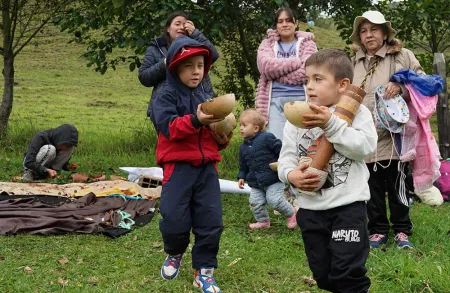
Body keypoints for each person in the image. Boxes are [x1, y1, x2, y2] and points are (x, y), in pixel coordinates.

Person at [278, 49, 377, 293]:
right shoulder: (296, 117)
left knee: (348, 272)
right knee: (323, 274)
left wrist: (331, 124)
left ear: (343, 84)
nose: (309, 86)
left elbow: (365, 147)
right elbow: (286, 159)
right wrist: (291, 175)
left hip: (347, 207)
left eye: (318, 79)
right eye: (307, 80)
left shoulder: (357, 113)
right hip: (310, 210)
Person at [152, 35, 230, 293]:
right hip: (177, 167)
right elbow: (169, 128)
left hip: (207, 168)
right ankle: (175, 252)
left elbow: (212, 137)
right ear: (174, 66)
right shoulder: (165, 95)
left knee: (211, 220)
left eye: (200, 65)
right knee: (174, 218)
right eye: (188, 66)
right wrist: (196, 121)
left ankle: (204, 271)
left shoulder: (207, 95)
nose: (195, 71)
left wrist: (222, 138)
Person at [350, 11, 424, 249]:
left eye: (374, 29)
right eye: (363, 30)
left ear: (384, 32)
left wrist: (400, 85)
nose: (369, 34)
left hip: (395, 136)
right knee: (370, 185)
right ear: (359, 37)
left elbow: (423, 82)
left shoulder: (402, 56)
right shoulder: (353, 62)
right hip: (365, 134)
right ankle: (378, 230)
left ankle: (402, 231)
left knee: (397, 184)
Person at [138, 11, 219, 131]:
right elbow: (144, 77)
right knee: (173, 137)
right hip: (168, 104)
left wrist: (195, 33)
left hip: (200, 101)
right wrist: (164, 64)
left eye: (185, 24)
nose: (182, 27)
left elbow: (213, 55)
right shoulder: (156, 48)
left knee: (202, 139)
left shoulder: (196, 46)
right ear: (168, 29)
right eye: (177, 23)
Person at [255, 6, 317, 140]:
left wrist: (278, 72)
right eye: (280, 21)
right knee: (277, 144)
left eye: (288, 20)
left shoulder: (308, 44)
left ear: (296, 23)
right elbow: (266, 68)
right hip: (274, 103)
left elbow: (308, 71)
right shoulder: (267, 44)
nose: (284, 24)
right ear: (276, 25)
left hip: (302, 101)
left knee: (303, 144)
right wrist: (296, 62)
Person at [237, 109, 296, 229]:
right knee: (255, 202)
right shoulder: (243, 147)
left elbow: (281, 149)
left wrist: (284, 161)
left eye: (244, 125)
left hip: (272, 178)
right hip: (256, 182)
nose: (241, 128)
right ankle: (263, 222)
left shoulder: (267, 138)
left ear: (255, 128)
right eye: (240, 125)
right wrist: (241, 176)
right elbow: (243, 164)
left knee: (274, 201)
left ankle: (292, 214)